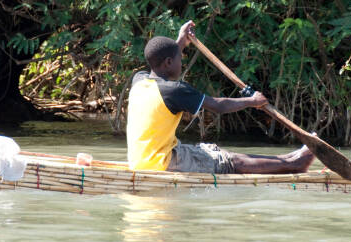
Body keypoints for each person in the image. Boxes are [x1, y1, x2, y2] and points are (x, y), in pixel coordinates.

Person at [126, 20, 315, 174]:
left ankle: (289, 158)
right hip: (160, 164)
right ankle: (295, 164)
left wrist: (181, 41)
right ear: (168, 62)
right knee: (229, 161)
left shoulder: (139, 80)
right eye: (180, 59)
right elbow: (218, 106)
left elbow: (164, 58)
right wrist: (252, 101)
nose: (181, 62)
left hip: (142, 159)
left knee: (217, 152)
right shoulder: (174, 90)